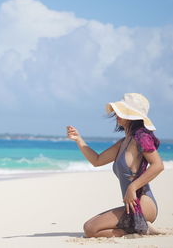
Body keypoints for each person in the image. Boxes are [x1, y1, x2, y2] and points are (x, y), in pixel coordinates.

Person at [66, 93, 164, 237]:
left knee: (90, 228)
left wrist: (132, 187)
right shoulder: (123, 142)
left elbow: (158, 165)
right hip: (131, 206)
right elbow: (97, 160)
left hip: (144, 204)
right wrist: (79, 140)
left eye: (122, 111)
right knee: (91, 227)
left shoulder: (142, 137)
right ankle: (138, 229)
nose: (117, 114)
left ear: (133, 116)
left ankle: (140, 227)